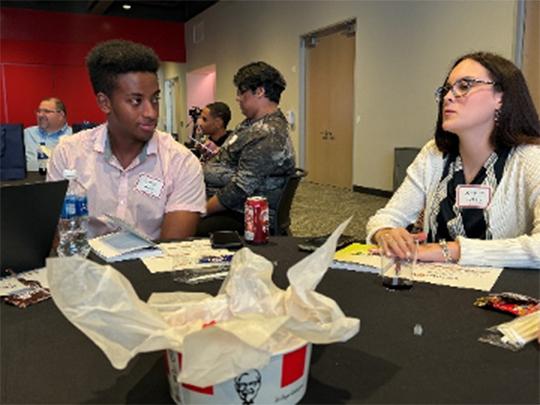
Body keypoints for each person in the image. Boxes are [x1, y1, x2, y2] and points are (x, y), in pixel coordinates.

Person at [366, 52, 540, 269]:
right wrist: (386, 233)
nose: (449, 96)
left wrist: (450, 250)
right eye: (447, 89)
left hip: (499, 294)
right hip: (432, 287)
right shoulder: (434, 154)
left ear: (501, 98)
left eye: (465, 86)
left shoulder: (531, 158)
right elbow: (387, 217)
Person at [47, 39, 206, 240]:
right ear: (105, 103)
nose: (151, 112)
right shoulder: (68, 153)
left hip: (152, 268)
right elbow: (57, 237)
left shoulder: (181, 162)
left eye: (155, 99)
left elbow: (173, 251)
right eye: (135, 101)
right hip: (86, 267)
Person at [199, 62, 296, 236]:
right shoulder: (251, 124)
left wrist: (202, 210)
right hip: (228, 204)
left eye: (241, 92)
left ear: (259, 92)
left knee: (186, 227)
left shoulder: (268, 134)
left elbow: (239, 189)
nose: (237, 98)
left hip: (244, 214)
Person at [24, 97, 72, 171]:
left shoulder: (74, 135)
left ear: (61, 114)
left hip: (63, 181)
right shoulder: (27, 134)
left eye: (46, 111)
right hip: (31, 181)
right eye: (39, 111)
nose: (40, 115)